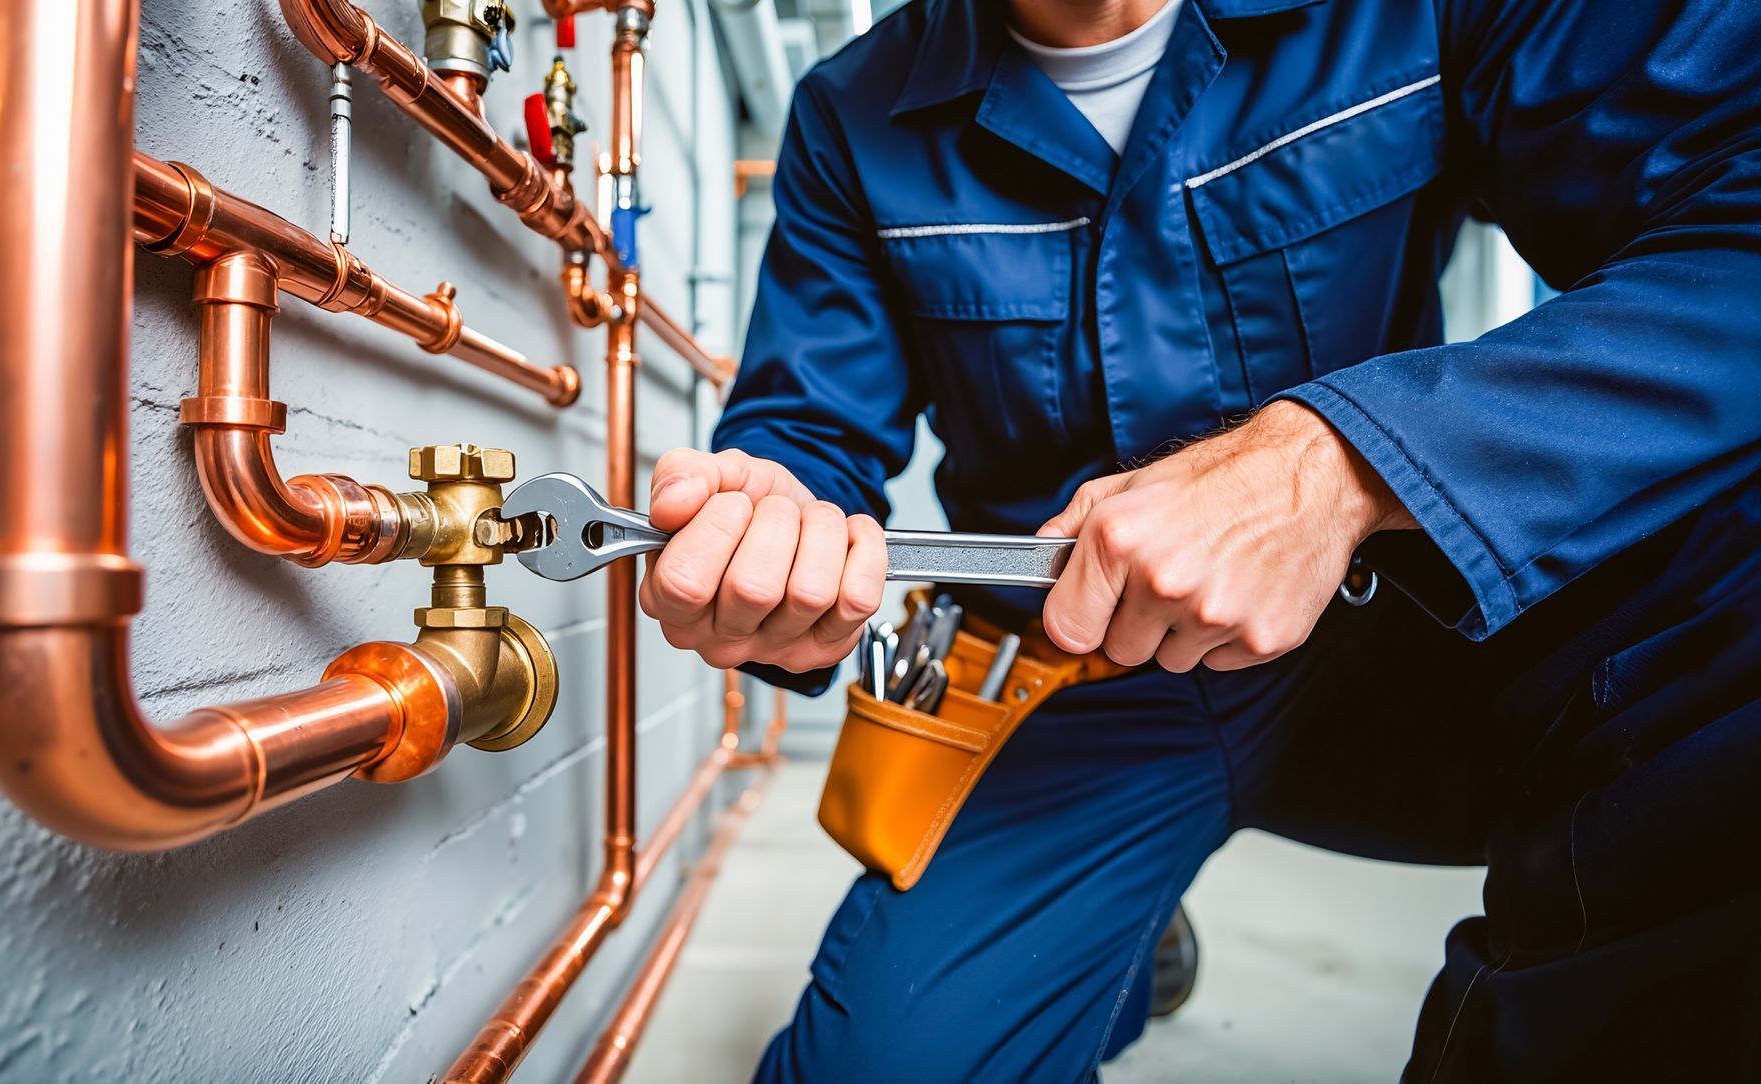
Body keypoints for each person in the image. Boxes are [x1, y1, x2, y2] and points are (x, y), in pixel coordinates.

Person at [637, 0, 1761, 1078]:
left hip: (1407, 645)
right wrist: (768, 539)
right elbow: (806, 435)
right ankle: (1126, 923)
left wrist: (1338, 459)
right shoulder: (854, 112)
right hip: (1080, 686)